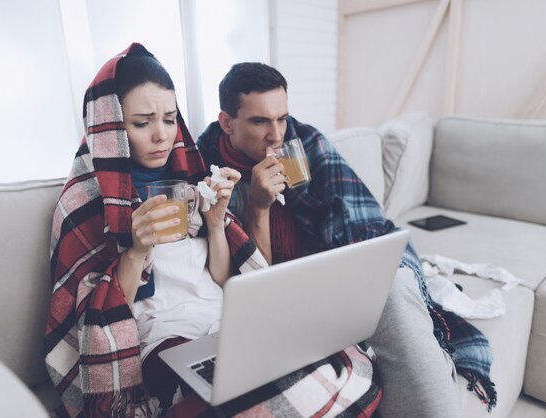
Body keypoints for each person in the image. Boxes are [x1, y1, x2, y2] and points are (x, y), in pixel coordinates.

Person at [45, 44, 381, 418]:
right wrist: (137, 250)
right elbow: (97, 318)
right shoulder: (85, 200)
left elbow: (224, 277)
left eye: (170, 119)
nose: (162, 136)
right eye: (142, 123)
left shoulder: (192, 178)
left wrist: (217, 223)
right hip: (164, 336)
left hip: (226, 321)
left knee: (334, 362)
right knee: (258, 395)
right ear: (110, 128)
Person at [197, 62, 498, 418]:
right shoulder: (209, 172)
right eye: (260, 121)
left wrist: (363, 271)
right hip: (282, 298)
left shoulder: (305, 143)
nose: (276, 134)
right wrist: (260, 207)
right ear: (227, 122)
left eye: (282, 117)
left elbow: (359, 224)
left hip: (332, 271)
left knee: (392, 285)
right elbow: (252, 274)